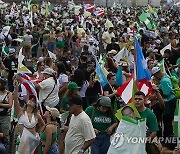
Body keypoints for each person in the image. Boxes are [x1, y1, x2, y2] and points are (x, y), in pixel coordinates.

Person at [151, 67, 177, 138]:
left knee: (167, 120)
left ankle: (168, 137)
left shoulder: (164, 81)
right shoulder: (165, 77)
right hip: (169, 101)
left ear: (157, 74)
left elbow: (166, 94)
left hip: (169, 102)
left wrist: (157, 92)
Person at [0, 77, 13, 153]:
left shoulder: (8, 94)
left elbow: (10, 105)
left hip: (5, 116)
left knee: (5, 135)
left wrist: (1, 104)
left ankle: (6, 150)